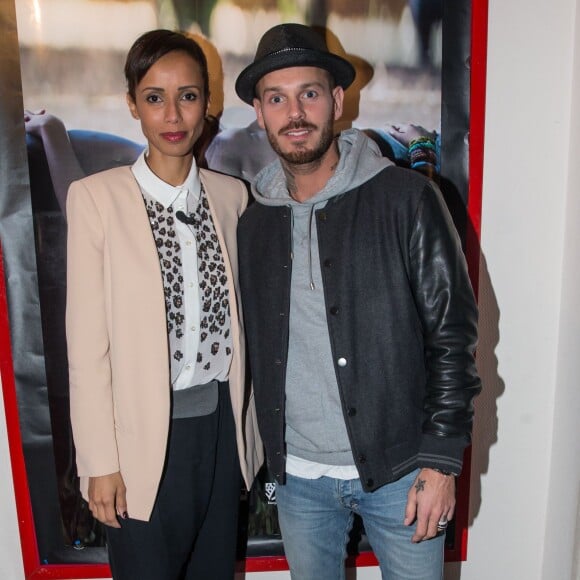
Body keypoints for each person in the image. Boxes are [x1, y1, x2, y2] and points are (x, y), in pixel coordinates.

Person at [235, 23, 481, 579]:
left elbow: (453, 337)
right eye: (277, 98)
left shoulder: (407, 200)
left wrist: (441, 464)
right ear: (259, 111)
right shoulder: (253, 224)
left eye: (310, 93)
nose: (294, 112)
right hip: (299, 482)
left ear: (338, 101)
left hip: (403, 473)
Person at [66, 29, 263, 579]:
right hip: (141, 444)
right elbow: (86, 351)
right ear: (133, 104)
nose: (173, 114)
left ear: (208, 101)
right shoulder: (96, 200)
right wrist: (100, 464)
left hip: (223, 435)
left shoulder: (232, 197)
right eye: (155, 97)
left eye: (189, 95)